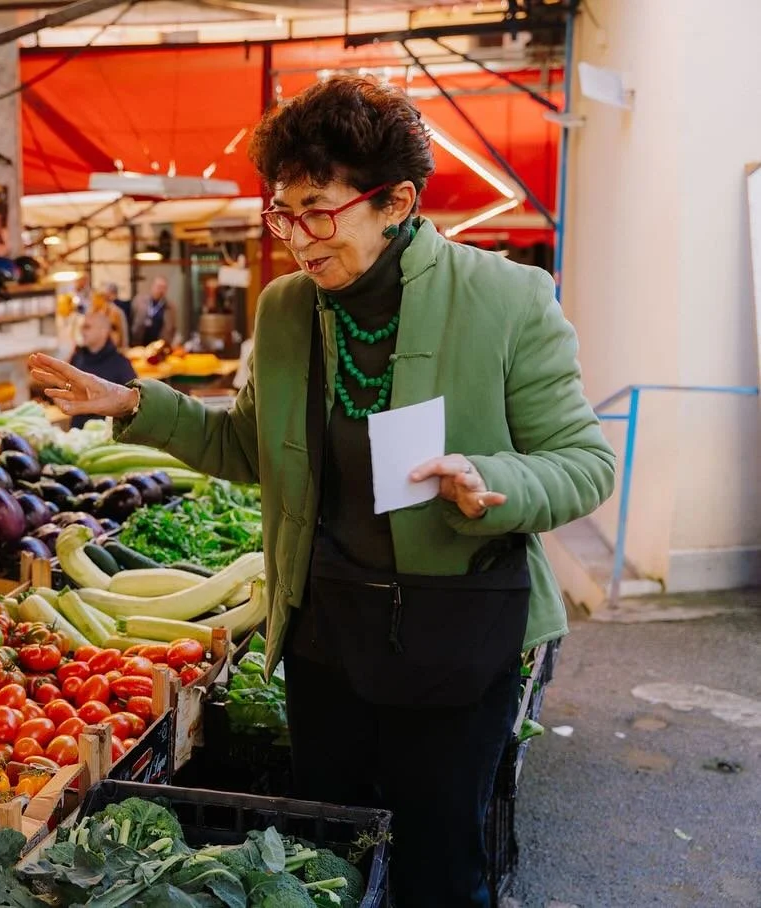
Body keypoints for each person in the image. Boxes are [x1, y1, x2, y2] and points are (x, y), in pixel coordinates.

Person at [30, 75, 614, 908]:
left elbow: (584, 461)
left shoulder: (507, 299)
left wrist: (497, 480)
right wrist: (132, 404)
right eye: (282, 212)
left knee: (441, 865)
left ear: (396, 200)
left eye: (316, 209)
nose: (297, 237)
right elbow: (245, 444)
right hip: (326, 639)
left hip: (457, 630)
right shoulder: (287, 309)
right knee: (327, 858)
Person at [65, 310, 136, 429]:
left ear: (103, 331)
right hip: (77, 435)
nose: (82, 331)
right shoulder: (77, 357)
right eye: (82, 327)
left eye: (87, 327)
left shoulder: (121, 364)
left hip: (107, 436)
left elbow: (134, 405)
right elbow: (63, 384)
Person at [129, 276, 177, 347]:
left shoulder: (170, 307)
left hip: (159, 344)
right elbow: (131, 318)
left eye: (164, 288)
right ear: (152, 287)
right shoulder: (139, 301)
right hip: (139, 342)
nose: (161, 290)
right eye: (159, 287)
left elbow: (173, 327)